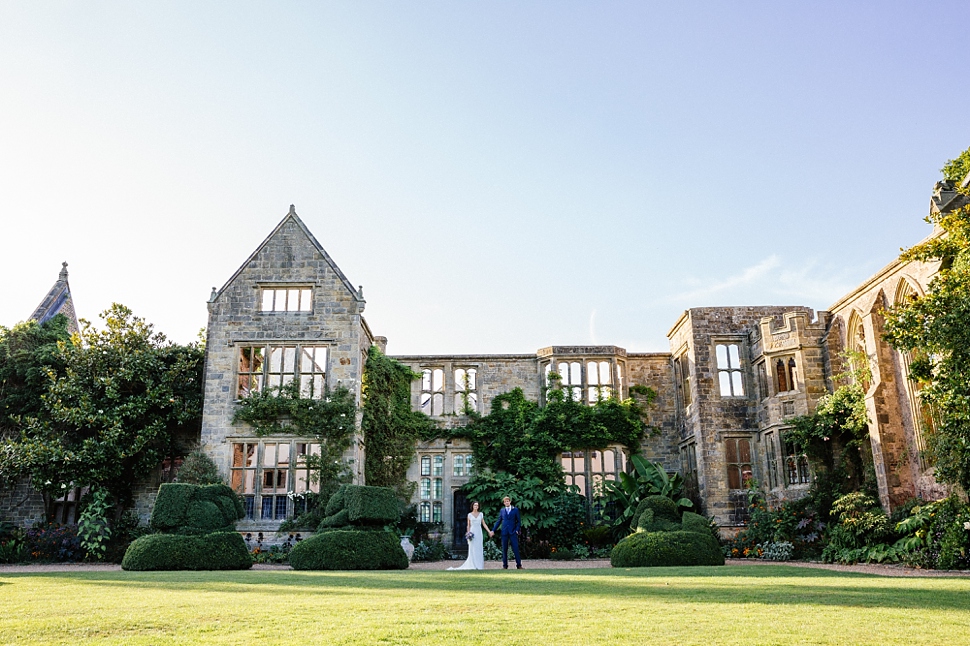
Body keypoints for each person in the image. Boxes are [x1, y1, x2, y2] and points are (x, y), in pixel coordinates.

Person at [447, 501, 493, 570]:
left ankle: (479, 565)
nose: (476, 507)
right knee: (472, 549)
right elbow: (468, 525)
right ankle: (473, 564)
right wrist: (468, 533)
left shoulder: (481, 514)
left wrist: (489, 531)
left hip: (479, 532)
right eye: (475, 505)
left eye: (477, 506)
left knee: (479, 548)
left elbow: (484, 524)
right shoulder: (469, 515)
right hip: (472, 532)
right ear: (472, 506)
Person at [491, 495, 522, 569]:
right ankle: (505, 566)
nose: (506, 502)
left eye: (508, 501)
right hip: (504, 532)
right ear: (504, 503)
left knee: (515, 548)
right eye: (505, 502)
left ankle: (519, 565)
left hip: (513, 532)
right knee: (504, 549)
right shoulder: (502, 510)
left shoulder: (515, 510)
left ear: (510, 502)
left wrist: (517, 530)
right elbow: (499, 521)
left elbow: (519, 522)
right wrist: (493, 530)